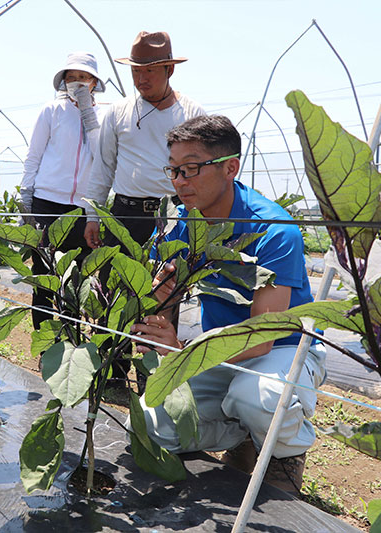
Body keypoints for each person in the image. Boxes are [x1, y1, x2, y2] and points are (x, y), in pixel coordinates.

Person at [131, 116, 326, 495]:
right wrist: (158, 300)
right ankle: (243, 436)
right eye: (173, 170)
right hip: (218, 351)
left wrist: (182, 352)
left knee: (259, 398)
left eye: (190, 169)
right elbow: (161, 309)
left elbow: (263, 339)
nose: (179, 182)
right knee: (151, 424)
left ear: (230, 167)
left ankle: (282, 454)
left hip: (284, 351)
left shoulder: (273, 228)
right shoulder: (177, 225)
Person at [84, 31, 206, 251]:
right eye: (136, 71)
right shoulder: (118, 111)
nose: (141, 79)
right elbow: (103, 167)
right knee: (114, 283)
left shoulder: (192, 112)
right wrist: (92, 216)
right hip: (126, 216)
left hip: (176, 215)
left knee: (172, 283)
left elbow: (205, 172)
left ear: (170, 69)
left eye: (149, 70)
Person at [20, 52, 106, 327]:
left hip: (81, 209)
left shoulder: (105, 115)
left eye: (83, 78)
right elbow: (34, 155)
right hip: (46, 204)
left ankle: (69, 337)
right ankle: (44, 344)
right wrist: (27, 200)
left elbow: (102, 158)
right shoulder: (52, 111)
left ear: (93, 81)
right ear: (63, 82)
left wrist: (88, 114)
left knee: (74, 279)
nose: (77, 83)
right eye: (71, 78)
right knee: (44, 278)